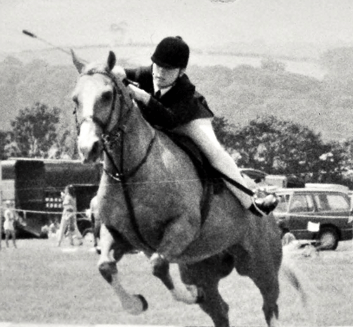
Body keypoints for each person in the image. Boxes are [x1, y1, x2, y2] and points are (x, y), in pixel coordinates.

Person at [112, 36, 278, 217]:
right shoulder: (148, 72)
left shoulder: (185, 89)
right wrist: (116, 71)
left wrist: (143, 97)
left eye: (168, 69)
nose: (159, 73)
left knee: (214, 153)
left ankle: (251, 202)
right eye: (158, 66)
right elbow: (122, 72)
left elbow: (171, 120)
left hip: (188, 120)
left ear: (181, 71)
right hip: (161, 116)